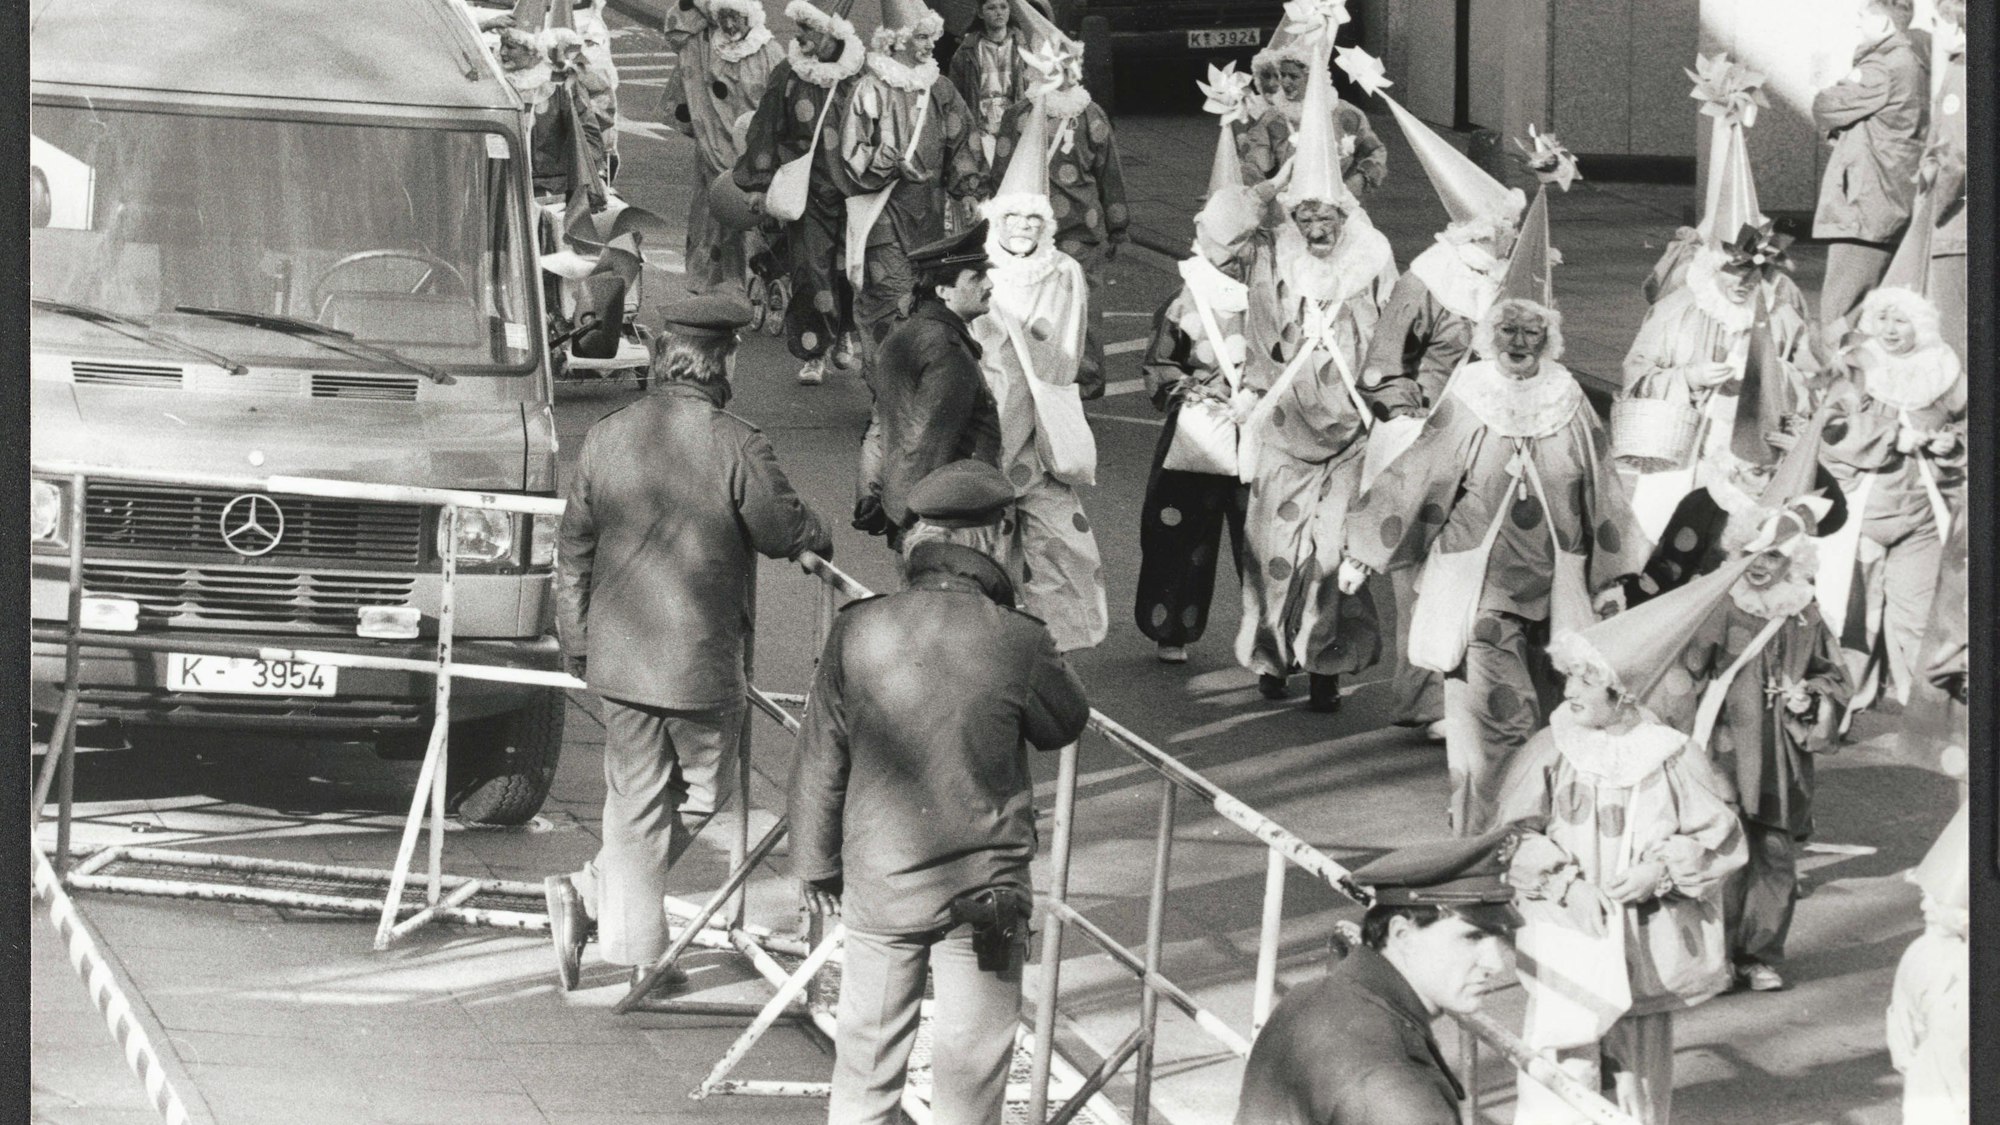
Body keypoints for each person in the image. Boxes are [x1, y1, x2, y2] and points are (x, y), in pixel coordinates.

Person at [545, 297, 834, 992]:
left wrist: (579, 637)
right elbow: (781, 528)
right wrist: (817, 535)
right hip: (700, 664)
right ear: (725, 359)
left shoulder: (609, 433)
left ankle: (595, 898)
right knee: (700, 794)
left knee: (639, 802)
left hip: (619, 656)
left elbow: (573, 549)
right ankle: (631, 942)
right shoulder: (737, 441)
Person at [789, 529, 1090, 1125]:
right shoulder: (1018, 638)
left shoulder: (859, 627)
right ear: (997, 539)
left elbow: (821, 755)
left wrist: (815, 865)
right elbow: (1064, 723)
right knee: (972, 1076)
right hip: (988, 888)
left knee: (866, 1066)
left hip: (883, 881)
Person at [1340, 299, 1651, 835]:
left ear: (1548, 340)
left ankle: (1530, 828)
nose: (1520, 342)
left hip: (1560, 589)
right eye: (1508, 329)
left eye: (1532, 332)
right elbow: (1419, 473)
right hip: (1481, 590)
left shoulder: (1567, 396)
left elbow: (1602, 484)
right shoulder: (1469, 394)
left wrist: (1616, 573)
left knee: (1560, 714)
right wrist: (1364, 551)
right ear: (1490, 334)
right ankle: (1499, 829)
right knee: (1505, 716)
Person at [1495, 566, 1751, 1125]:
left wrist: (1657, 872)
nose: (1568, 692)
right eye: (1568, 678)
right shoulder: (1552, 747)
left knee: (1637, 1083)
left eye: (1586, 681)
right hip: (1569, 936)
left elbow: (1721, 840)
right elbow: (1510, 836)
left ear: (1625, 688)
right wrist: (1563, 883)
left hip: (1645, 953)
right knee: (1562, 1067)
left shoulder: (1673, 756)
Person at [1233, 47, 1393, 713]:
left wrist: (1396, 394)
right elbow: (1220, 250)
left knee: (1333, 557)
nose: (1318, 226)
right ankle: (1272, 655)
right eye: (1307, 216)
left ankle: (1326, 662)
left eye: (1329, 215)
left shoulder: (1376, 259)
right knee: (1276, 553)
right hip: (1285, 430)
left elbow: (1401, 336)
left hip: (1350, 436)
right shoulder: (1272, 258)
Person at [1233, 826, 1527, 1125]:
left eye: (1497, 939)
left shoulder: (1308, 996)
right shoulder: (1397, 1090)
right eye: (1472, 938)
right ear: (1402, 934)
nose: (1495, 963)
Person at [1680, 507, 1850, 993]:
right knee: (1721, 853)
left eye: (1773, 554)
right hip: (1724, 749)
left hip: (1780, 756)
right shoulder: (1722, 603)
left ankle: (1758, 956)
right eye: (1752, 551)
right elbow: (1687, 670)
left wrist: (1810, 694)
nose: (1759, 563)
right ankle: (1714, 958)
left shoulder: (1805, 613)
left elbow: (1837, 677)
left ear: (1793, 562)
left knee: (1774, 856)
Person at [971, 99, 1108, 654]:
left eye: (1035, 218)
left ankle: (1054, 646)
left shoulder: (1066, 271)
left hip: (1041, 433)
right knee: (985, 545)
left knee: (1066, 545)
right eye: (1014, 217)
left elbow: (1068, 352)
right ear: (996, 219)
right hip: (986, 431)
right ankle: (986, 643)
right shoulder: (974, 270)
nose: (1024, 227)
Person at [1135, 185, 1269, 665]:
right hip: (1201, 426)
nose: (1236, 256)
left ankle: (1272, 637)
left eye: (1243, 245)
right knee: (1177, 529)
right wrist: (1192, 391)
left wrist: (1261, 393)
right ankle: (1170, 627)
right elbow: (1159, 362)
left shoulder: (1271, 296)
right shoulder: (1182, 299)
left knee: (1263, 539)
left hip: (1257, 425)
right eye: (1227, 245)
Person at [1617, 222, 1818, 542]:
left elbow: (1812, 382)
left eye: (1755, 274)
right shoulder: (1675, 310)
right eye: (1734, 272)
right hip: (1683, 444)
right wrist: (1688, 377)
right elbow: (1635, 374)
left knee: (1738, 536)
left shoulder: (1782, 318)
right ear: (1713, 268)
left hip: (1749, 444)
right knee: (1674, 533)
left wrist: (1771, 373)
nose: (1744, 282)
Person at [1815, 286, 1963, 719]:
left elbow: (1970, 423)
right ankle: (1836, 705)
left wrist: (1950, 445)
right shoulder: (1855, 365)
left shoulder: (1943, 367)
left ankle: (1932, 715)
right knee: (1852, 617)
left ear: (1922, 323)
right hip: (1860, 511)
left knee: (1920, 614)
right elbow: (1830, 427)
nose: (1890, 329)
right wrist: (1892, 437)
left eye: (1901, 320)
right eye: (1882, 318)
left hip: (1920, 513)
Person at [838, 0, 983, 378]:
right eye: (921, 37)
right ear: (898, 40)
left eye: (931, 37)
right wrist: (888, 163)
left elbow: (962, 140)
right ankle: (885, 389)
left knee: (924, 303)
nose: (929, 44)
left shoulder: (942, 89)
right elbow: (852, 153)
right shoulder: (869, 89)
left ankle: (915, 383)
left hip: (931, 217)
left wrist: (967, 190)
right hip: (882, 214)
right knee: (886, 303)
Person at [990, 8, 1128, 398]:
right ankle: (1044, 377)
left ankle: (1082, 381)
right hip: (1031, 236)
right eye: (1055, 65)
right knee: (1034, 307)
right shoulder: (1019, 117)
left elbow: (1108, 174)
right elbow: (1001, 175)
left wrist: (1118, 226)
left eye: (1068, 66)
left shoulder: (1091, 116)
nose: (1063, 73)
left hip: (1080, 234)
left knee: (1080, 307)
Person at [732, 0, 867, 386]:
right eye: (799, 28)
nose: (800, 37)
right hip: (807, 193)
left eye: (809, 29)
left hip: (857, 191)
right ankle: (814, 351)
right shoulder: (788, 73)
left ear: (832, 32)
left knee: (849, 271)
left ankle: (844, 333)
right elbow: (765, 128)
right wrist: (758, 184)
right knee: (809, 272)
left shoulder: (861, 73)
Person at [854, 222, 1003, 551]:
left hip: (915, 516)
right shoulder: (948, 353)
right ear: (944, 290)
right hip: (950, 524)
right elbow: (926, 446)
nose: (989, 284)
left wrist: (871, 491)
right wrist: (917, 527)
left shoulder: (905, 331)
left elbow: (880, 426)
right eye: (976, 276)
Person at [1811, 0, 1929, 348]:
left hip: (1865, 203)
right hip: (1888, 199)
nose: (1857, 25)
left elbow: (1826, 104)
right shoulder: (1915, 60)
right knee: (1869, 309)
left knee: (1841, 313)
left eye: (1863, 17)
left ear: (1883, 24)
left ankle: (1838, 393)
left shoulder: (1882, 66)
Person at [662, 0, 781, 300]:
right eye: (723, 17)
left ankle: (758, 280)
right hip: (712, 153)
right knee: (712, 222)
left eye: (736, 17)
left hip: (756, 157)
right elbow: (677, 28)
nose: (729, 25)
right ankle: (713, 285)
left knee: (759, 224)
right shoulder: (703, 47)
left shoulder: (770, 53)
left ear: (751, 17)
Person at [1238, 44, 1387, 199]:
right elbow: (1252, 163)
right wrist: (1264, 191)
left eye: (1294, 76)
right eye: (1283, 75)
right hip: (1286, 204)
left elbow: (1375, 151)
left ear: (1312, 78)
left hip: (1337, 203)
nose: (1285, 82)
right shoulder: (1271, 118)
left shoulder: (1346, 114)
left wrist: (1359, 180)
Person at [947, 0, 1032, 178]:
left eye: (1003, 7)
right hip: (981, 122)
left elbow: (1033, 86)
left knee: (1013, 177)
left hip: (1014, 120)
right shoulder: (968, 49)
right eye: (991, 8)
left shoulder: (1022, 46)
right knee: (985, 176)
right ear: (980, 12)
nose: (998, 12)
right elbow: (955, 93)